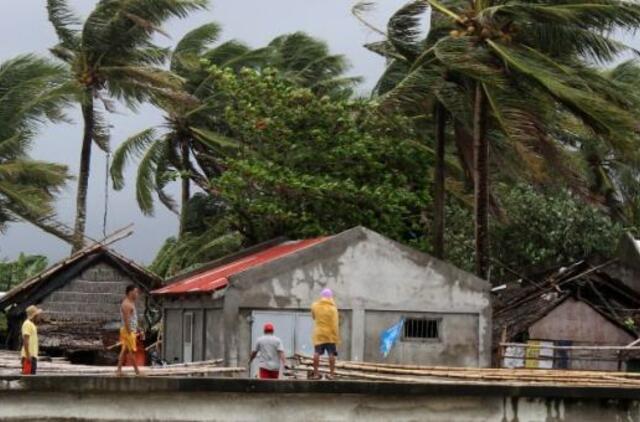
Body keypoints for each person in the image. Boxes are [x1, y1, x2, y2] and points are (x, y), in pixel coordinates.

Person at [311, 288, 339, 380]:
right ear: (330, 297)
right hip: (330, 334)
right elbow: (335, 323)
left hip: (319, 333)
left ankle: (315, 374)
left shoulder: (315, 306)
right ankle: (331, 374)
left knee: (316, 353)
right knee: (331, 353)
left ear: (321, 296)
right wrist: (336, 337)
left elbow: (314, 317)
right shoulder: (333, 308)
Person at [116, 284, 142, 376]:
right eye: (136, 292)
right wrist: (129, 331)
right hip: (127, 330)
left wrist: (137, 328)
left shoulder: (131, 303)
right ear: (130, 292)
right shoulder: (126, 304)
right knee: (132, 351)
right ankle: (137, 372)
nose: (137, 294)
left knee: (124, 350)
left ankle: (119, 371)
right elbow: (126, 319)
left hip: (130, 330)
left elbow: (133, 318)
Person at [21, 305, 43, 375]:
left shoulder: (32, 324)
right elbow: (25, 341)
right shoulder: (27, 324)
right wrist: (28, 355)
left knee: (31, 376)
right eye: (37, 315)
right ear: (34, 315)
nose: (39, 317)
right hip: (29, 355)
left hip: (32, 355)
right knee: (28, 378)